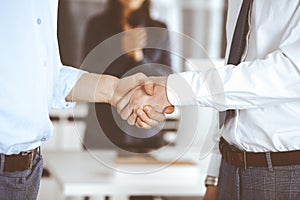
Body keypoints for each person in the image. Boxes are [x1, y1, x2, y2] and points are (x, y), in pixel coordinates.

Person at [117, 1, 300, 199]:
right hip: (230, 169)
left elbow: (291, 74)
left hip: (285, 172)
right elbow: (231, 93)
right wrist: (215, 175)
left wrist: (174, 89)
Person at [0, 1, 163, 199]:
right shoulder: (97, 24)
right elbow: (90, 63)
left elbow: (51, 78)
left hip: (25, 171)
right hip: (98, 134)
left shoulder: (159, 29)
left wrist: (117, 86)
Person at [82, 0, 172, 152]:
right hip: (102, 131)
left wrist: (138, 56)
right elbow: (88, 74)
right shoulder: (97, 25)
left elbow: (167, 77)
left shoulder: (159, 29)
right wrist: (123, 52)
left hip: (146, 133)